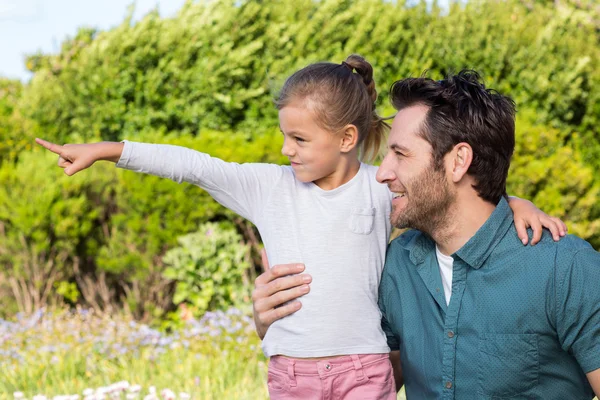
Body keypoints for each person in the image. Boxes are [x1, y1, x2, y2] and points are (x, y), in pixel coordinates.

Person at [37, 57, 565, 400]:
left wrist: (515, 201)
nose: (286, 149)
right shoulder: (267, 187)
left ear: (346, 137)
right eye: (284, 137)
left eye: (299, 139)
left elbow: (447, 191)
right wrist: (107, 151)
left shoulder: (378, 189)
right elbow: (191, 165)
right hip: (292, 375)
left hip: (366, 369)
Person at [254, 70, 600, 399]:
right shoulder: (396, 266)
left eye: (400, 154)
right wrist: (276, 326)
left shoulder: (565, 268)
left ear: (458, 161)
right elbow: (365, 381)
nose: (381, 173)